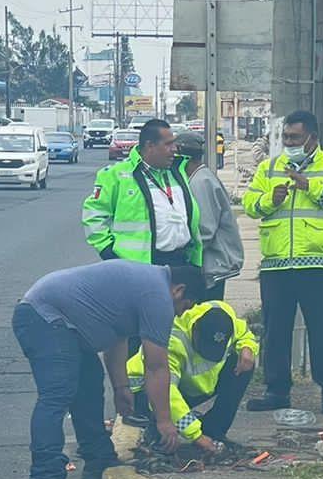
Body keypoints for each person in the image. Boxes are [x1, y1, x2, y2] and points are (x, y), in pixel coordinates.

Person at [12, 260, 201, 479]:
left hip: (62, 323)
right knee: (56, 396)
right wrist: (165, 421)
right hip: (45, 318)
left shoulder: (147, 284)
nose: (181, 313)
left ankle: (98, 462)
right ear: (179, 290)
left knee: (89, 386)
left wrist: (121, 388)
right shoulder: (157, 296)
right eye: (186, 306)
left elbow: (117, 338)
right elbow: (155, 366)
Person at [240, 110, 323, 417]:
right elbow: (250, 205)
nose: (289, 143)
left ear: (312, 138)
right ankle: (277, 390)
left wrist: (312, 187)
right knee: (275, 330)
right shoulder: (269, 168)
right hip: (277, 262)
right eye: (286, 137)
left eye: (295, 137)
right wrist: (271, 199)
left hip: (317, 261)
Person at [125, 299, 257, 454]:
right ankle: (155, 430)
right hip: (148, 391)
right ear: (195, 331)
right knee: (164, 428)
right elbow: (166, 392)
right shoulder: (172, 340)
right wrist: (196, 435)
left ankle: (214, 430)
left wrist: (247, 347)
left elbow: (243, 332)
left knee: (244, 362)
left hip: (194, 386)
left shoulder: (222, 315)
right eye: (205, 347)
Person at [84, 119, 202, 268]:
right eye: (168, 144)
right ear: (150, 146)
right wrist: (109, 252)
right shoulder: (116, 175)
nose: (174, 149)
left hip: (181, 261)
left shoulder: (178, 170)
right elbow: (93, 216)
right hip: (140, 266)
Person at [175, 132, 242, 301]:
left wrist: (182, 252)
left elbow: (204, 230)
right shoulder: (198, 178)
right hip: (208, 266)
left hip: (211, 267)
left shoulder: (201, 182)